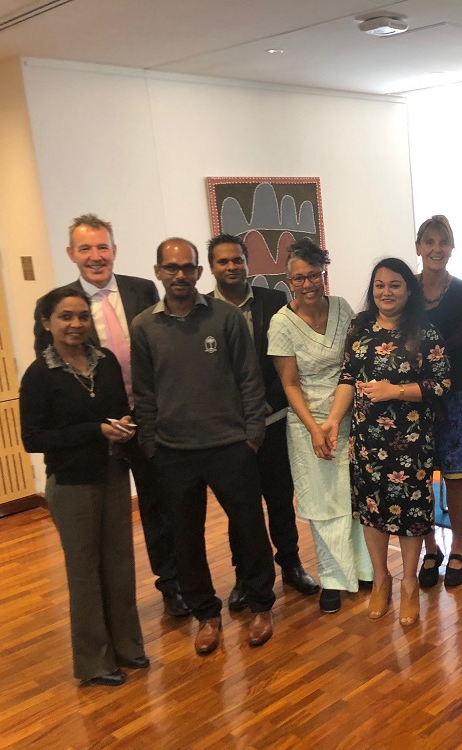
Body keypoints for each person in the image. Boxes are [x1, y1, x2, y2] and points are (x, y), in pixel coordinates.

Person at [32, 214, 186, 617]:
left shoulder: (142, 289)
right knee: (109, 519)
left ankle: (172, 586)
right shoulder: (59, 305)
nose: (95, 256)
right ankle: (110, 608)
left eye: (102, 247)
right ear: (71, 254)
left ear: (114, 250)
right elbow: (52, 372)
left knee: (159, 506)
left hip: (150, 417)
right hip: (103, 430)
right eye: (85, 248)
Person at [131, 237, 275, 655]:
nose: (179, 275)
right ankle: (206, 614)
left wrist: (252, 435)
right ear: (158, 272)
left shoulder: (226, 318)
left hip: (231, 446)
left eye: (187, 267)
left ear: (198, 272)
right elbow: (144, 392)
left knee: (250, 530)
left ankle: (262, 605)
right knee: (186, 540)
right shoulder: (144, 327)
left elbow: (250, 379)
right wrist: (150, 444)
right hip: (173, 452)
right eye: (170, 268)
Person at [20, 287, 147, 687]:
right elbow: (33, 439)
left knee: (120, 565)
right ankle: (94, 662)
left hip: (112, 475)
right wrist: (95, 431)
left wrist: (123, 425)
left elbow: (115, 408)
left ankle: (127, 645)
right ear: (46, 322)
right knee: (84, 572)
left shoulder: (105, 361)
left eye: (82, 317)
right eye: (65, 317)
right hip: (71, 484)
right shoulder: (40, 375)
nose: (76, 325)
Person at [319, 257, 450, 626]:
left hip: (410, 441)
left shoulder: (426, 333)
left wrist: (396, 390)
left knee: (409, 513)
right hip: (366, 440)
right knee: (372, 510)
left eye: (395, 285)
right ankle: (381, 578)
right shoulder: (359, 327)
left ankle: (409, 583)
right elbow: (347, 375)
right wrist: (332, 420)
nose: (386, 292)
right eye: (379, 285)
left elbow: (439, 385)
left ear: (409, 290)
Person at [207, 234, 320, 608]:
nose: (231, 267)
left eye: (237, 260)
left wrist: (266, 407)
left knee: (279, 500)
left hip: (273, 421)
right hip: (229, 431)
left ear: (247, 263)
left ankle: (290, 564)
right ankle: (245, 576)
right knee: (241, 508)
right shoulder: (203, 311)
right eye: (223, 261)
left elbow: (288, 361)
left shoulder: (274, 302)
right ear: (212, 267)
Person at [268, 238, 373, 613]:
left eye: (314, 275)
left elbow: (353, 365)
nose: (308, 284)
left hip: (349, 417)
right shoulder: (281, 323)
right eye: (300, 278)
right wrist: (315, 427)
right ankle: (331, 578)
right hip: (305, 423)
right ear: (288, 280)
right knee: (323, 502)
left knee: (354, 498)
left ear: (323, 273)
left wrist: (335, 419)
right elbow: (289, 383)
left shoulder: (343, 308)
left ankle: (364, 570)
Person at [414, 215, 462, 588]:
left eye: (443, 242)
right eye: (429, 241)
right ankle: (430, 547)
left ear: (452, 249)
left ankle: (457, 547)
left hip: (457, 398)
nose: (436, 249)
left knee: (456, 478)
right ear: (418, 247)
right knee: (419, 478)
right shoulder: (404, 290)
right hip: (413, 401)